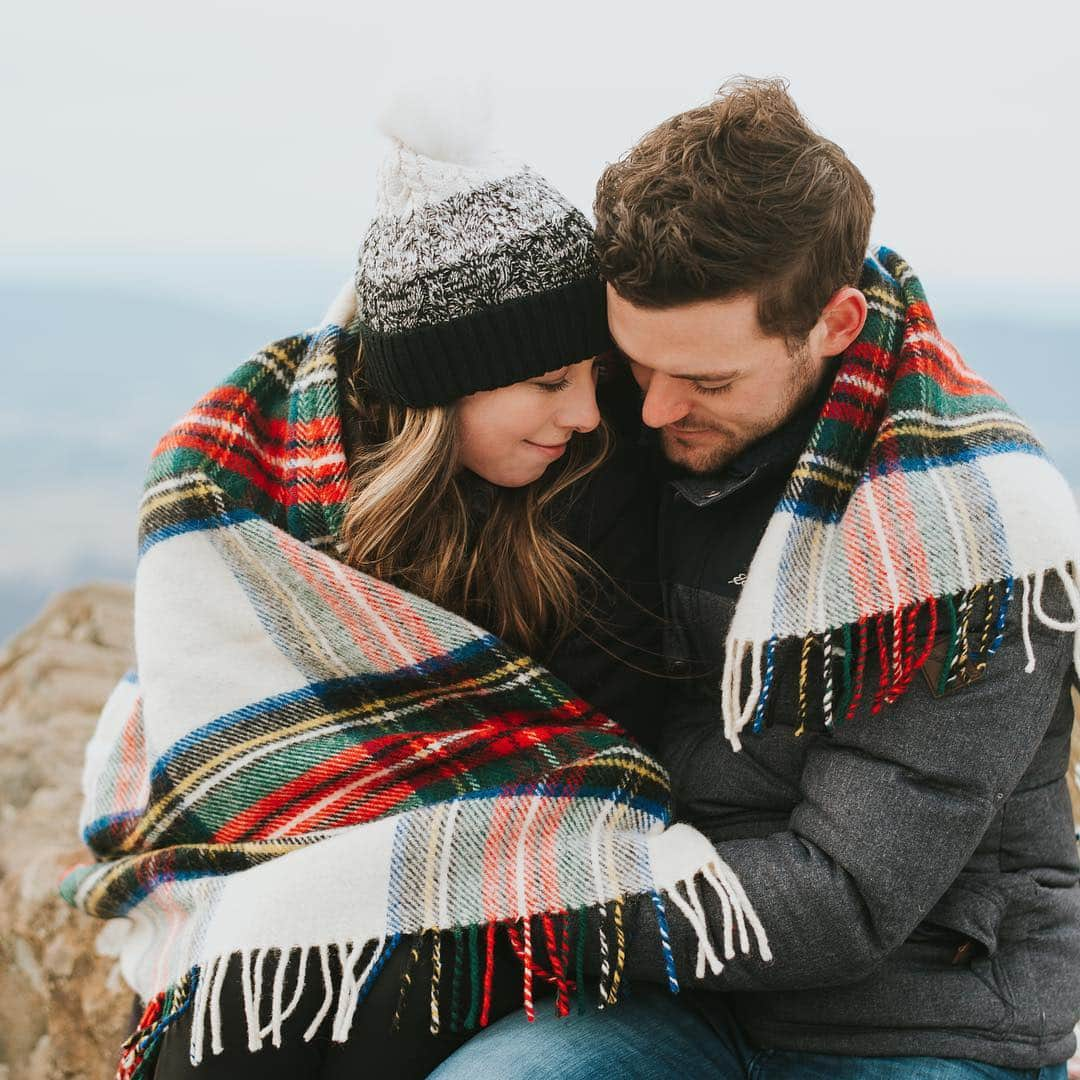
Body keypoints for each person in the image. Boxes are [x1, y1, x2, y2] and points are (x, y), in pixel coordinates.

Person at [429, 77, 1080, 1079]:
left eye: (708, 380)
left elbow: (845, 904)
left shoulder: (974, 526)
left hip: (923, 1010)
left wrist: (508, 903)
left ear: (834, 324)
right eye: (637, 364)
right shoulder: (639, 413)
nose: (649, 411)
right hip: (674, 990)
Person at [69, 117, 673, 1080]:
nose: (587, 414)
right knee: (230, 1015)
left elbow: (600, 739)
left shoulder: (596, 492)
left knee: (372, 992)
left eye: (593, 376)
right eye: (548, 381)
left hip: (515, 868)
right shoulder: (256, 480)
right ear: (442, 388)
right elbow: (228, 712)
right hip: (298, 847)